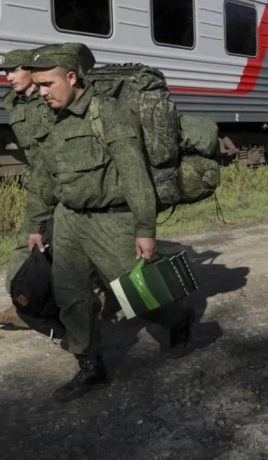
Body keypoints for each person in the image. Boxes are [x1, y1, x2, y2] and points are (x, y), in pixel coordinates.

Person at [23, 43, 195, 402]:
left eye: (47, 84)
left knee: (143, 294)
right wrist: (35, 223)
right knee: (72, 297)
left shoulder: (108, 112)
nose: (41, 92)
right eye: (37, 85)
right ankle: (91, 367)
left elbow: (135, 175)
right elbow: (41, 176)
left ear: (71, 77)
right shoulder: (49, 119)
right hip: (68, 221)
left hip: (112, 221)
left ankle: (180, 319)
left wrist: (145, 229)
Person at [0, 49, 54, 329]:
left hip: (63, 182)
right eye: (5, 72)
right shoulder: (15, 101)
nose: (9, 77)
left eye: (14, 70)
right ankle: (22, 306)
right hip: (42, 181)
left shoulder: (50, 100)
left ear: (32, 71)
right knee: (29, 242)